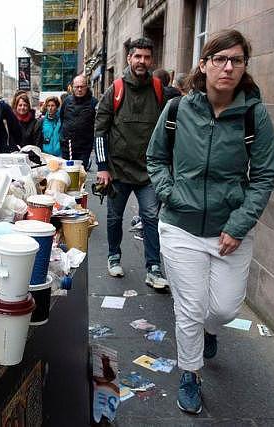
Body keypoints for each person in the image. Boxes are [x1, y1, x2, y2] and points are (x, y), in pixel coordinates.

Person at [147, 29, 274, 415]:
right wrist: (170, 194)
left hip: (229, 231)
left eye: (236, 60)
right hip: (179, 225)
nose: (227, 67)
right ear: (203, 65)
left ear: (243, 67)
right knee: (189, 306)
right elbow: (155, 158)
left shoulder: (254, 115)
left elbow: (265, 175)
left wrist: (239, 225)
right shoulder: (177, 110)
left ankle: (209, 331)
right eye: (219, 59)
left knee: (222, 309)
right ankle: (190, 372)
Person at [94, 37, 168, 290]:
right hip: (117, 170)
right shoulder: (114, 90)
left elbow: (168, 129)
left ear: (151, 60)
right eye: (138, 56)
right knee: (114, 217)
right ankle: (114, 256)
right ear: (129, 58)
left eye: (147, 57)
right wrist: (102, 167)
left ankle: (154, 268)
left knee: (151, 217)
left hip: (149, 171)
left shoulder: (159, 90)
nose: (142, 61)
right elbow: (100, 131)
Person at [60, 74, 98, 166]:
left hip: (84, 147)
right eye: (77, 87)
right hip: (67, 146)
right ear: (73, 88)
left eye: (82, 87)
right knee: (67, 174)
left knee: (81, 174)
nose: (79, 89)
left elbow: (97, 123)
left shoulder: (93, 102)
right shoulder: (67, 101)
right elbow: (62, 118)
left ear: (86, 87)